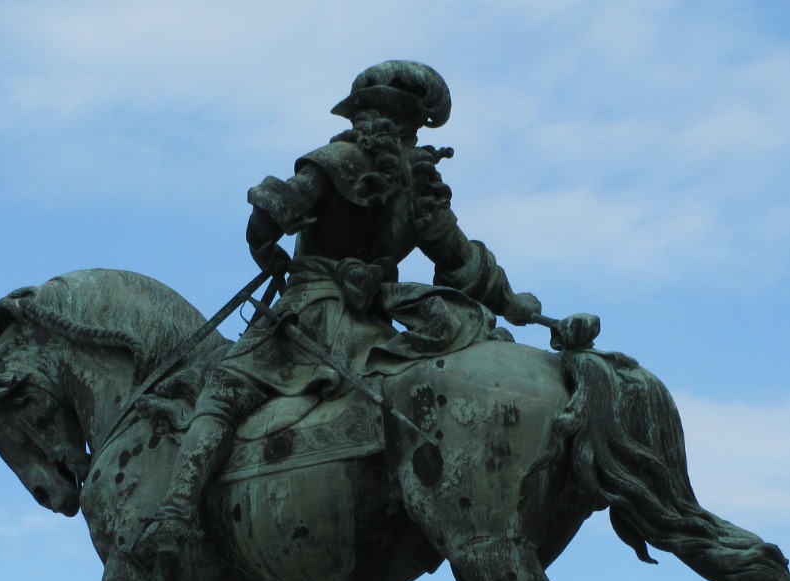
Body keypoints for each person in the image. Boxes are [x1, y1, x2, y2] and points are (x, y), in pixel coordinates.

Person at [143, 61, 546, 553]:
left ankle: (176, 512)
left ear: (363, 114)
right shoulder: (422, 187)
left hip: (308, 318)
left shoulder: (336, 161)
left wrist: (266, 250)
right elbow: (464, 264)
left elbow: (271, 211)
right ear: (414, 125)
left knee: (223, 391)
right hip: (373, 332)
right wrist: (516, 306)